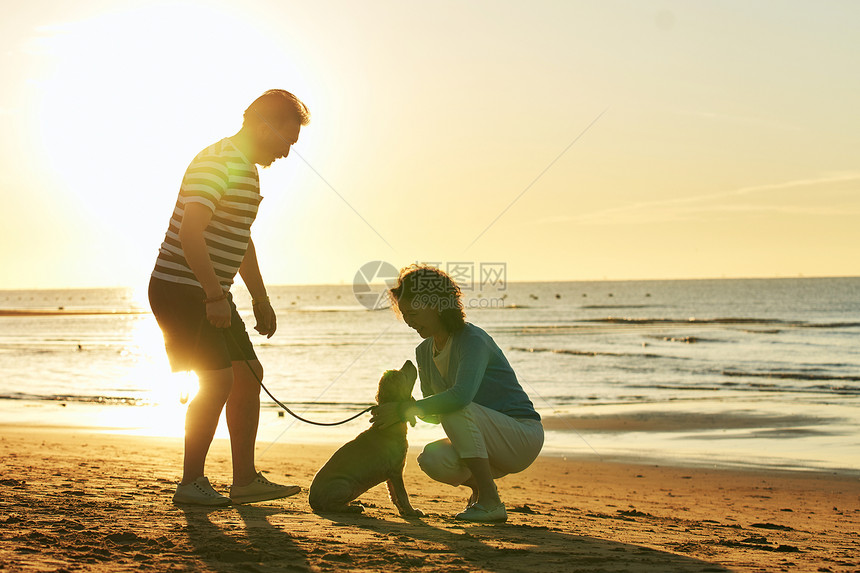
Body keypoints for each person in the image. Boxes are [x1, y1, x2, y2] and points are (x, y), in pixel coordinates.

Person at [148, 89, 310, 506]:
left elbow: (241, 238)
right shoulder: (217, 161)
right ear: (262, 126)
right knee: (218, 379)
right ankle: (190, 483)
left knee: (248, 374)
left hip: (209, 290)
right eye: (286, 141)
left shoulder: (248, 171)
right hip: (182, 288)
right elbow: (190, 232)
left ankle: (244, 480)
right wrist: (214, 295)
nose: (288, 153)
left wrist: (260, 298)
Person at [371, 265, 544, 522]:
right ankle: (483, 490)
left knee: (454, 406)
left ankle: (490, 501)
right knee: (432, 459)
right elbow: (435, 416)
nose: (409, 321)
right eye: (405, 314)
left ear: (439, 305)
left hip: (521, 436)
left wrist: (406, 409)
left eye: (415, 313)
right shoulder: (423, 352)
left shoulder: (472, 339)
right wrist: (402, 407)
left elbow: (459, 398)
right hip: (483, 442)